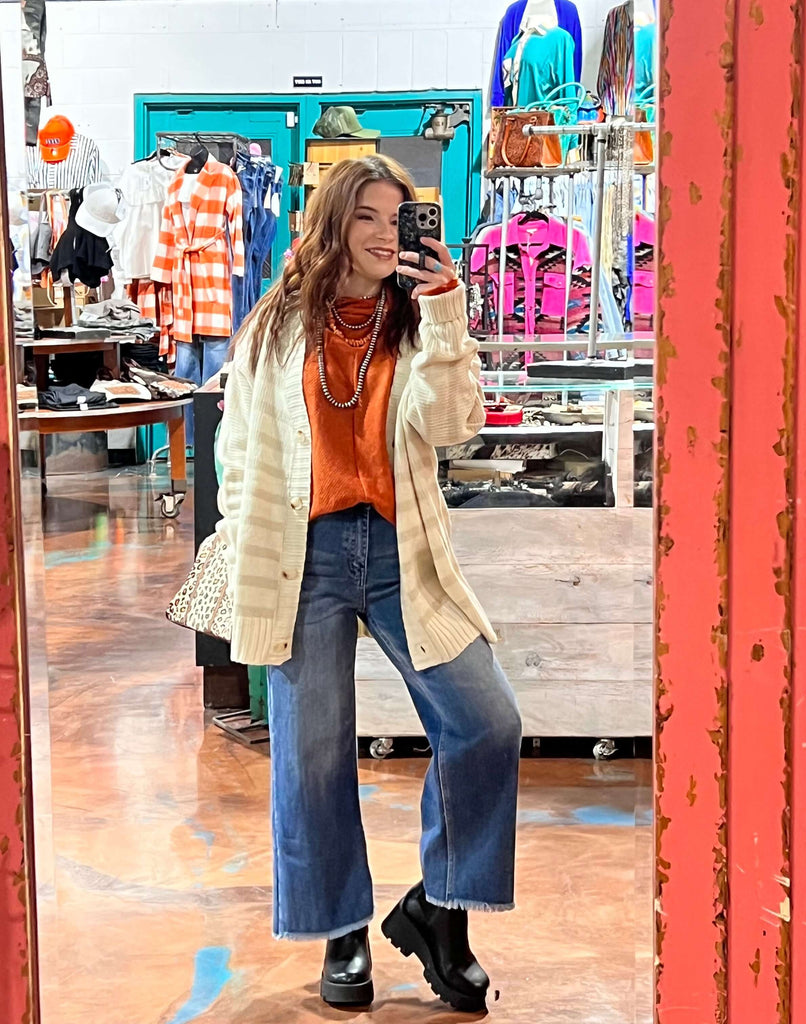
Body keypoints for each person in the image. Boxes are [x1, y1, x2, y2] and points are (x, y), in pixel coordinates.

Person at [215, 155, 522, 1013]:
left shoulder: (417, 317)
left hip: (399, 551)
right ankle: (343, 931)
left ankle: (441, 911)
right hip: (299, 557)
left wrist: (445, 311)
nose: (390, 235)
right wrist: (241, 543)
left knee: (488, 721)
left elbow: (454, 426)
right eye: (369, 219)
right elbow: (239, 450)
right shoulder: (276, 326)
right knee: (312, 756)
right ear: (333, 226)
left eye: (401, 218)